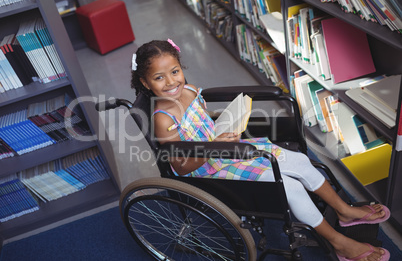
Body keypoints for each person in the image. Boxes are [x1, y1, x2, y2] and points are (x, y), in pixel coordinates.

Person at [131, 39, 391, 261]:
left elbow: (201, 120)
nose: (170, 82)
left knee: (300, 161)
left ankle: (344, 211)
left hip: (224, 147)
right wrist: (214, 147)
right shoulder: (163, 118)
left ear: (181, 67)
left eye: (175, 71)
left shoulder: (188, 90)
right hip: (207, 168)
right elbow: (180, 166)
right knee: (289, 186)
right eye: (158, 77)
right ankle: (337, 242)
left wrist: (226, 126)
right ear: (145, 82)